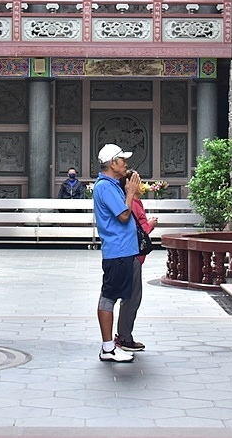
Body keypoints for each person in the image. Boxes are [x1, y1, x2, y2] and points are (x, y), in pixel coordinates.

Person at [92, 143, 140, 363]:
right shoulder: (105, 186)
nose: (126, 164)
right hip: (117, 251)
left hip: (124, 250)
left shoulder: (111, 184)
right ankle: (108, 347)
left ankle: (111, 345)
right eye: (122, 160)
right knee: (109, 296)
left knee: (115, 295)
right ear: (113, 163)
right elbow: (123, 215)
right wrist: (130, 193)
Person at [115, 168, 157, 352]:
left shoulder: (136, 202)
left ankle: (124, 335)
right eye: (136, 181)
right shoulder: (132, 203)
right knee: (131, 298)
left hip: (135, 255)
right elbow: (138, 230)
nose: (140, 185)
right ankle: (124, 337)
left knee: (131, 297)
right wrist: (151, 225)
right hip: (132, 254)